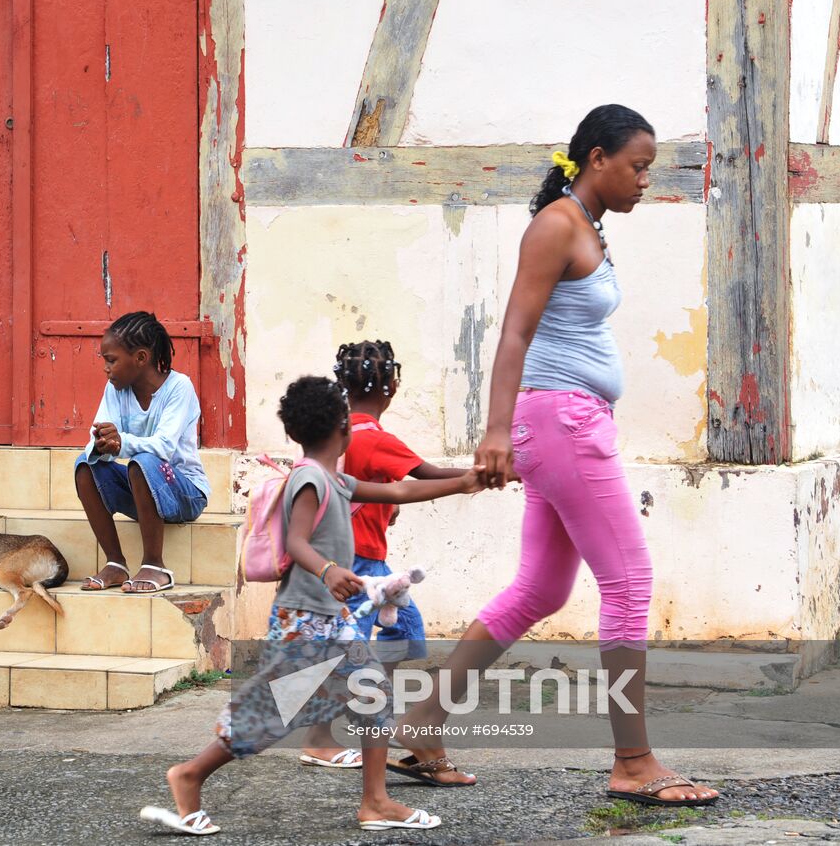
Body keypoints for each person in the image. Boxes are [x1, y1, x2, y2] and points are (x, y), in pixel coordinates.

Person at [392, 104, 719, 806]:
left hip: (565, 421)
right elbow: (512, 333)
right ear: (597, 158)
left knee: (540, 589)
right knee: (629, 584)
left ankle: (423, 723)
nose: (644, 181)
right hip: (561, 423)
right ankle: (633, 761)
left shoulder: (583, 227)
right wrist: (494, 431)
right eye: (637, 166)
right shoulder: (555, 227)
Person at [141, 376, 484, 835]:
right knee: (271, 711)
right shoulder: (308, 478)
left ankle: (376, 802)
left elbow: (400, 492)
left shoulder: (335, 481)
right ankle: (190, 774)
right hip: (304, 618)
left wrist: (467, 483)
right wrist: (327, 570)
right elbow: (297, 540)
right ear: (343, 429)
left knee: (374, 696)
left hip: (329, 618)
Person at [300, 340, 476, 787]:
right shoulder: (377, 439)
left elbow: (362, 490)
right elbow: (429, 476)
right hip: (357, 562)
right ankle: (324, 736)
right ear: (393, 385)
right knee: (353, 649)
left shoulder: (336, 434)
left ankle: (372, 711)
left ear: (342, 383)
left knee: (402, 628)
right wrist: (482, 477)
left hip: (354, 559)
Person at [75, 311, 208, 594]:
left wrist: (121, 442)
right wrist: (103, 444)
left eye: (112, 360)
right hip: (144, 492)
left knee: (143, 461)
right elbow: (100, 435)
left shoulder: (178, 388)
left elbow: (164, 447)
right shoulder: (115, 390)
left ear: (141, 358)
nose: (106, 369)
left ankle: (154, 565)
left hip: (185, 493)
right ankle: (116, 563)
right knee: (86, 465)